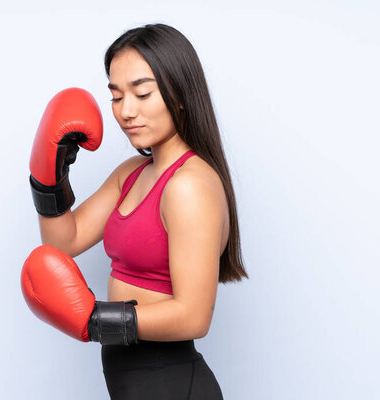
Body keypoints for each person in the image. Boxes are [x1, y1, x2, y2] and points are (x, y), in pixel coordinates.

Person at [23, 23, 248, 399]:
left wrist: (95, 321)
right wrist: (50, 177)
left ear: (179, 95)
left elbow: (194, 315)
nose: (126, 111)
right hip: (136, 384)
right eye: (116, 96)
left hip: (172, 384)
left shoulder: (190, 185)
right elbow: (64, 242)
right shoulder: (132, 173)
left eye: (142, 94)